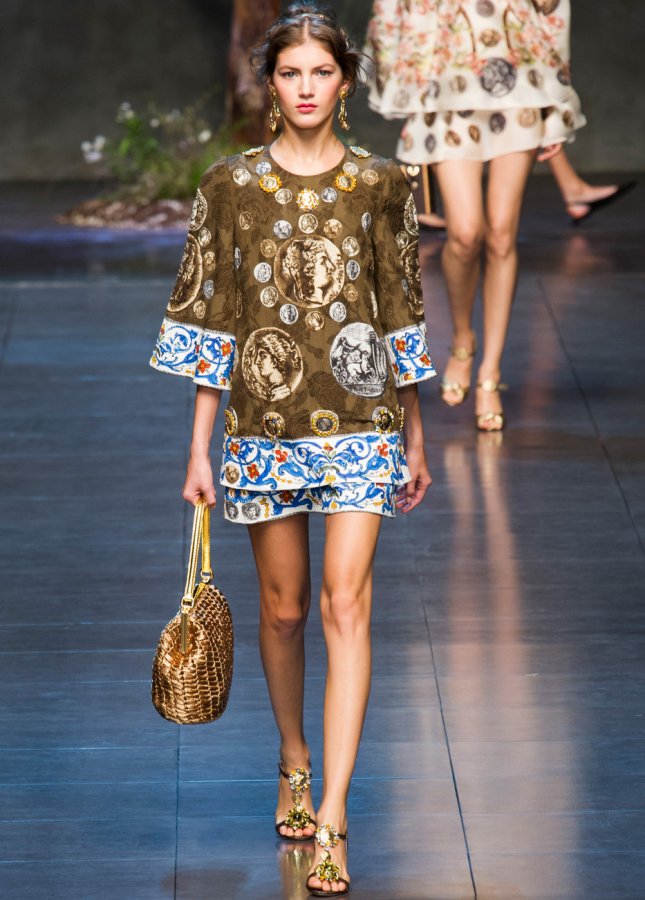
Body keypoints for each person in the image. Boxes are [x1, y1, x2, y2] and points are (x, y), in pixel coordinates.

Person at [150, 4, 435, 894]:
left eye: (320, 72)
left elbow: (401, 307)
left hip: (362, 423)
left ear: (344, 83)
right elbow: (213, 316)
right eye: (289, 73)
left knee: (345, 606)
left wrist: (416, 434)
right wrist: (199, 450)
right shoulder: (229, 186)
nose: (305, 88)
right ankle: (294, 759)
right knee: (283, 611)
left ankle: (335, 820)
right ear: (269, 85)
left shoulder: (382, 183)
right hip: (261, 425)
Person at [366, 0, 586, 430]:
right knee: (465, 234)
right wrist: (401, 82)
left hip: (520, 77)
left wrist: (556, 94)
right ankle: (463, 339)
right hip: (448, 79)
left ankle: (490, 372)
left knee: (502, 233)